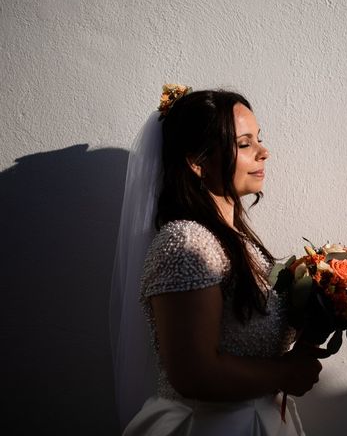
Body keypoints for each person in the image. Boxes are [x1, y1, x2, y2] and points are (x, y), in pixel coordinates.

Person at [110, 86, 323, 436]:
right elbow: (195, 372)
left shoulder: (238, 242)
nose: (263, 152)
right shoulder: (186, 243)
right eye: (244, 144)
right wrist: (287, 374)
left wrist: (324, 306)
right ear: (197, 162)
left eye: (258, 139)